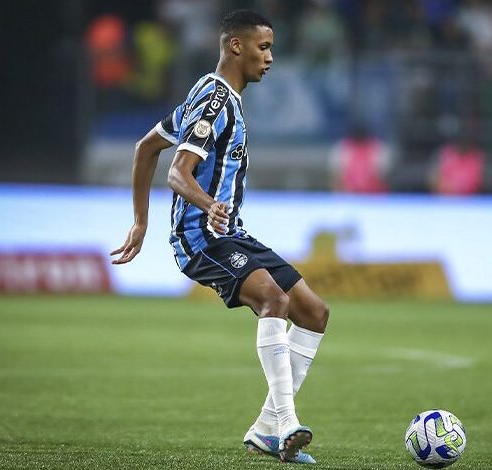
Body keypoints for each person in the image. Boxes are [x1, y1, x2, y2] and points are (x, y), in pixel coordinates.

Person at [110, 10, 328, 463]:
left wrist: (140, 221)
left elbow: (145, 147)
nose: (269, 57)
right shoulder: (215, 102)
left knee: (313, 311)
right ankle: (286, 422)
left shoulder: (210, 94)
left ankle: (267, 429)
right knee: (275, 300)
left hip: (230, 233)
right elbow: (176, 170)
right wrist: (205, 207)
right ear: (236, 46)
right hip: (201, 236)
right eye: (263, 47)